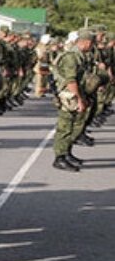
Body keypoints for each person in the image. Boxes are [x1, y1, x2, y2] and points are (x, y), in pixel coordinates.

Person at [51, 29, 96, 171]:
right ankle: (60, 157)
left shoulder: (80, 56)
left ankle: (67, 153)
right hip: (68, 95)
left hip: (74, 93)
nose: (92, 46)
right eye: (92, 42)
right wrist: (79, 99)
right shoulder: (71, 57)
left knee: (72, 125)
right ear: (86, 42)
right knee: (65, 126)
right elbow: (71, 81)